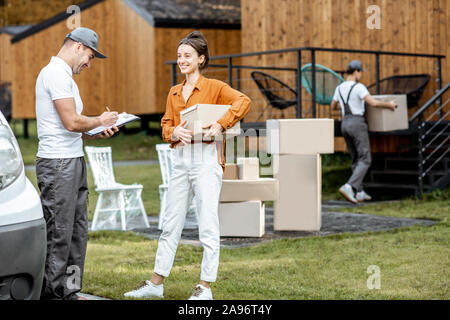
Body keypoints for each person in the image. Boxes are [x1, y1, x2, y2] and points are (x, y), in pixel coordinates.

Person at [124, 31, 251, 300]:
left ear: (201, 59)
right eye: (179, 56)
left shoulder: (215, 87)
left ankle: (205, 287)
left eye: (187, 56)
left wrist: (221, 123)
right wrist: (173, 134)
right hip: (181, 161)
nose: (181, 60)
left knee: (207, 223)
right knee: (170, 223)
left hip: (206, 160)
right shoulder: (173, 92)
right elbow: (166, 124)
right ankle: (156, 284)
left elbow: (243, 102)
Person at [36, 27, 119, 300]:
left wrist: (95, 130)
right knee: (59, 232)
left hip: (72, 159)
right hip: (57, 164)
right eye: (91, 57)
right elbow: (71, 121)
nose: (89, 63)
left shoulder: (66, 77)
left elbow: (72, 128)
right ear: (78, 47)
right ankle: (52, 294)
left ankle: (69, 291)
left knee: (76, 231)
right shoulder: (55, 74)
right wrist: (99, 120)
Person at [331, 60, 397, 204]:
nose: (361, 75)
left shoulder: (339, 88)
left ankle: (359, 192)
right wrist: (389, 105)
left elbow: (333, 106)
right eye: (361, 72)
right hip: (357, 123)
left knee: (355, 158)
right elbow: (372, 102)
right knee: (365, 158)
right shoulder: (359, 87)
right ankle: (349, 186)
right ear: (356, 72)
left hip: (344, 124)